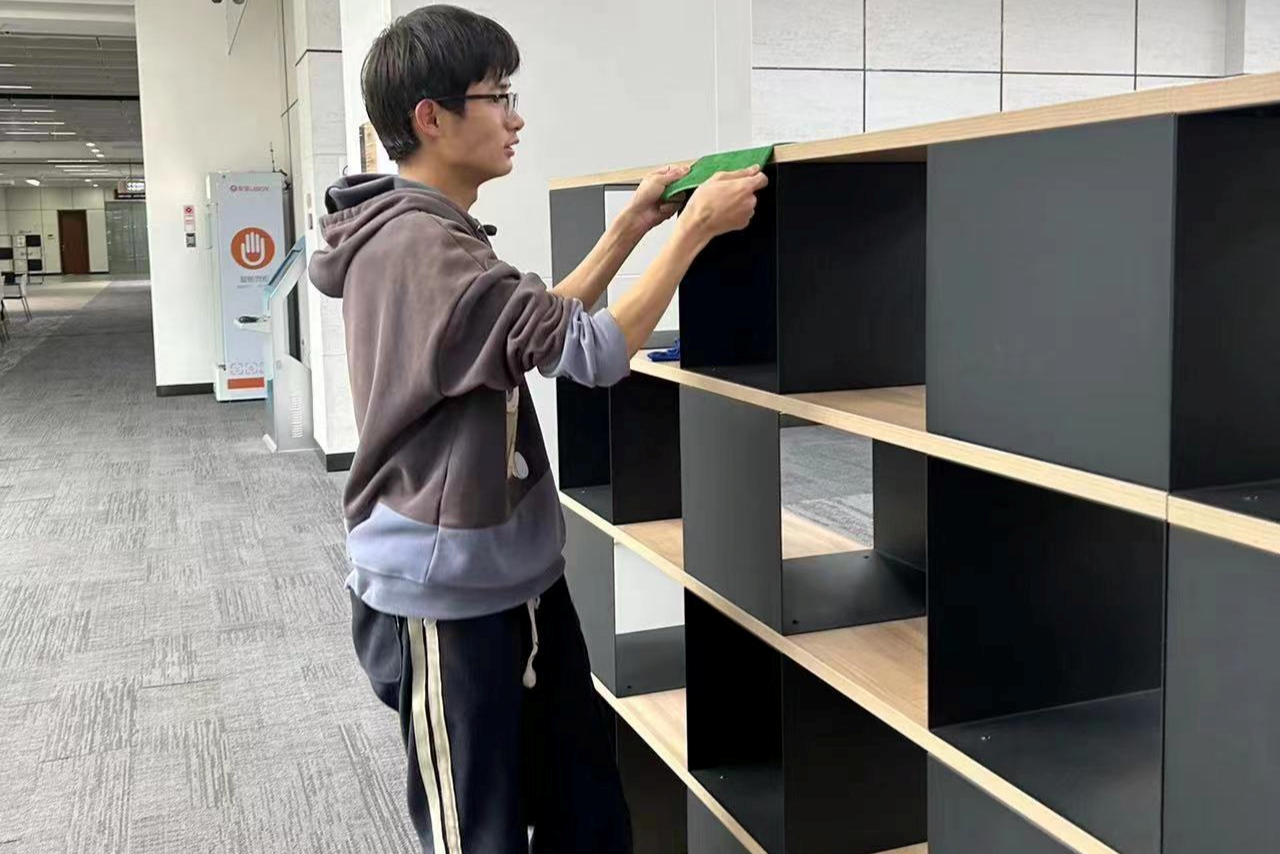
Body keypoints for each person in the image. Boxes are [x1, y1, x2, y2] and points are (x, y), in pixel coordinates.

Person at [307, 5, 767, 853]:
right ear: (432, 117)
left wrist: (631, 227)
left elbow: (539, 325)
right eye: (499, 97)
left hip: (513, 580)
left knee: (585, 813)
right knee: (478, 833)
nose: (516, 119)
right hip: (443, 595)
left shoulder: (435, 232)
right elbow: (594, 354)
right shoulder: (419, 247)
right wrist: (695, 232)